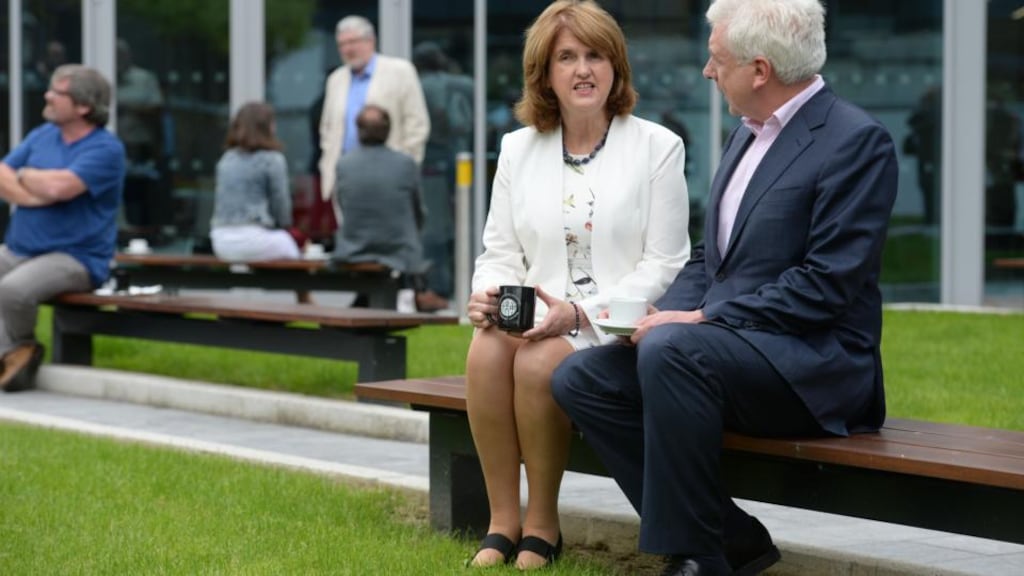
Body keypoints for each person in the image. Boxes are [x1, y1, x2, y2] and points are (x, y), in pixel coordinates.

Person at [551, 0, 899, 574]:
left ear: (759, 70)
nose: (707, 72)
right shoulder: (746, 135)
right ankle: (731, 537)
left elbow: (827, 285)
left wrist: (703, 321)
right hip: (729, 353)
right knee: (582, 376)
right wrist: (650, 313)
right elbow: (712, 261)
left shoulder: (857, 142)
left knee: (672, 349)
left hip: (817, 367)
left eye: (716, 60)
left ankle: (696, 557)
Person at [464, 1, 690, 570]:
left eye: (595, 55)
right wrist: (489, 291)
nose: (582, 69)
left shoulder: (658, 146)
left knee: (540, 363)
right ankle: (501, 522)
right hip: (534, 319)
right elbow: (500, 250)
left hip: (613, 325)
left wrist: (581, 312)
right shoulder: (518, 148)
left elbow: (665, 262)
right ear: (545, 73)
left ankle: (543, 524)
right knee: (487, 350)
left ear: (616, 67)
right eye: (567, 57)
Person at [0, 64, 126, 392]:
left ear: (83, 106)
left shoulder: (106, 149)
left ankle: (21, 351)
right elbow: (1, 174)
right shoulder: (43, 135)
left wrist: (25, 175)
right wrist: (34, 197)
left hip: (75, 257)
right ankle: (13, 353)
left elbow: (62, 188)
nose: (48, 96)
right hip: (21, 249)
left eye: (58, 92)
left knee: (12, 291)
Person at [318, 15, 430, 214]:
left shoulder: (400, 71)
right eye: (342, 44)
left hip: (389, 177)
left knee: (387, 239)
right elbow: (327, 128)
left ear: (371, 41)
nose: (347, 49)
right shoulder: (336, 79)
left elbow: (417, 125)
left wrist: (402, 168)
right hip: (347, 179)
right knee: (352, 240)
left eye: (353, 42)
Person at [412, 41, 475, 312]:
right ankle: (468, 284)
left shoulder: (421, 86)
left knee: (435, 228)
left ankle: (439, 286)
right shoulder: (467, 83)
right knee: (467, 223)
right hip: (463, 158)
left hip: (432, 162)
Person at [332, 105, 426, 278]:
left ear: (359, 130)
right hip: (400, 253)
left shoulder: (344, 164)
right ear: (388, 130)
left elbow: (343, 206)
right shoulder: (406, 164)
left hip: (353, 252)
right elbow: (418, 213)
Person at [209, 102, 302, 262]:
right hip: (254, 239)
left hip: (220, 240)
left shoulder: (227, 159)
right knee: (292, 249)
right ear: (266, 127)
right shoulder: (272, 160)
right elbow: (281, 207)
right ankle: (305, 287)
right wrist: (285, 228)